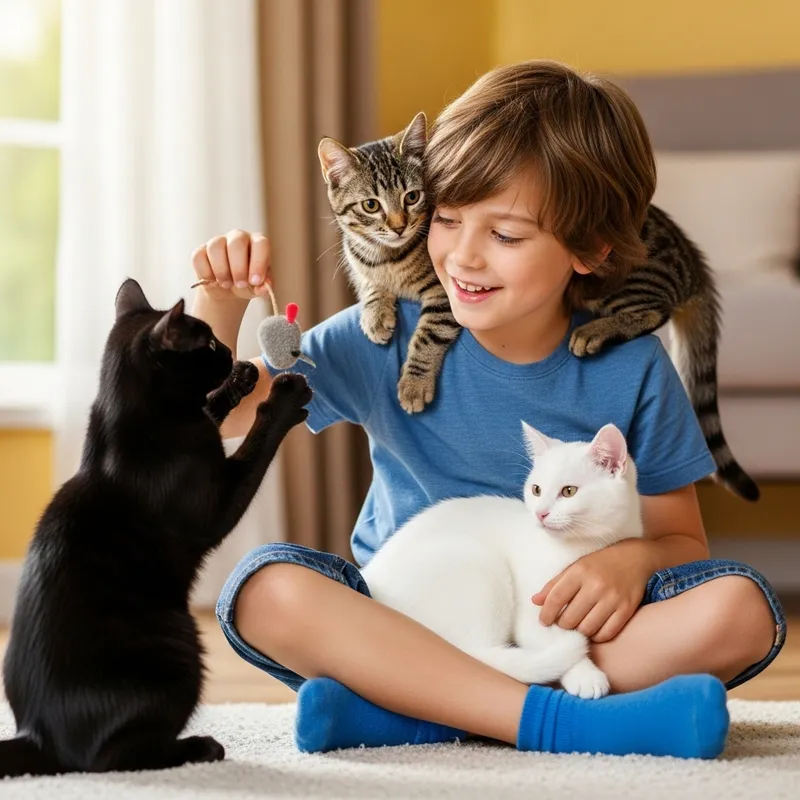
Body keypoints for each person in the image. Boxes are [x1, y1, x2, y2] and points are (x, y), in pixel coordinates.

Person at [191, 61, 784, 758]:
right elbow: (223, 417)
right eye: (446, 218)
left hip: (565, 629)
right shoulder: (380, 335)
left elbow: (683, 543)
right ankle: (561, 721)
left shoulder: (633, 366)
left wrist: (629, 566)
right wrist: (216, 306)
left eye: (505, 235)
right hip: (402, 618)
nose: (463, 256)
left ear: (590, 249)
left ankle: (414, 714)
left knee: (740, 610)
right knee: (264, 589)